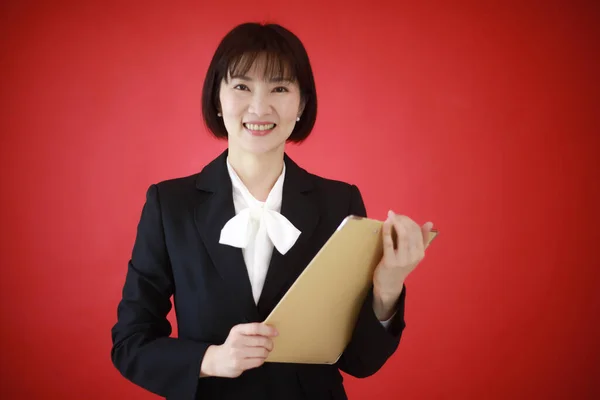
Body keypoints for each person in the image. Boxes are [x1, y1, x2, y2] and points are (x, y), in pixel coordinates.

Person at [111, 21, 434, 400]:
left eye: (280, 88)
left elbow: (360, 362)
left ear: (302, 103)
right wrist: (212, 359)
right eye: (242, 86)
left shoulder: (339, 204)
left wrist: (389, 284)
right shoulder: (170, 205)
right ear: (218, 97)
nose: (260, 107)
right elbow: (130, 343)